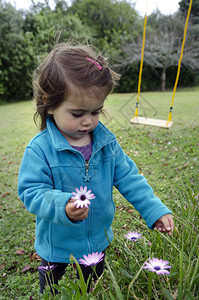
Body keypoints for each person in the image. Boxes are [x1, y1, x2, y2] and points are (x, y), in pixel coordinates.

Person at [17, 43, 174, 294]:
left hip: (96, 243)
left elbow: (129, 178)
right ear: (49, 104)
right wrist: (63, 205)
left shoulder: (106, 143)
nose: (88, 121)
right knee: (52, 291)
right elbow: (31, 192)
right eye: (77, 113)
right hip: (56, 245)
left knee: (93, 289)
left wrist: (154, 210)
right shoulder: (40, 149)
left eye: (96, 111)